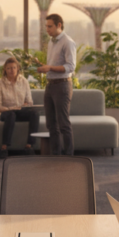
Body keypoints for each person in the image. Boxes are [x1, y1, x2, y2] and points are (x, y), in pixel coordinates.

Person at [36, 13, 77, 155]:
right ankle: (56, 156)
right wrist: (43, 67)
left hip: (62, 86)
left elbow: (71, 67)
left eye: (50, 26)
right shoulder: (51, 42)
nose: (47, 29)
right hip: (50, 85)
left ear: (59, 25)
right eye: (46, 26)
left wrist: (50, 68)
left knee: (63, 124)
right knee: (51, 124)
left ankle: (70, 158)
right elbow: (53, 65)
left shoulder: (68, 42)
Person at [0, 56, 39, 158]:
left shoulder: (24, 81)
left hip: (20, 110)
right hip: (5, 112)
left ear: (18, 68)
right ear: (5, 69)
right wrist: (10, 109)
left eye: (14, 67)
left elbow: (29, 101)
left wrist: (25, 105)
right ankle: (4, 148)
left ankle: (29, 146)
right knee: (11, 115)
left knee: (35, 113)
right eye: (8, 68)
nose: (11, 70)